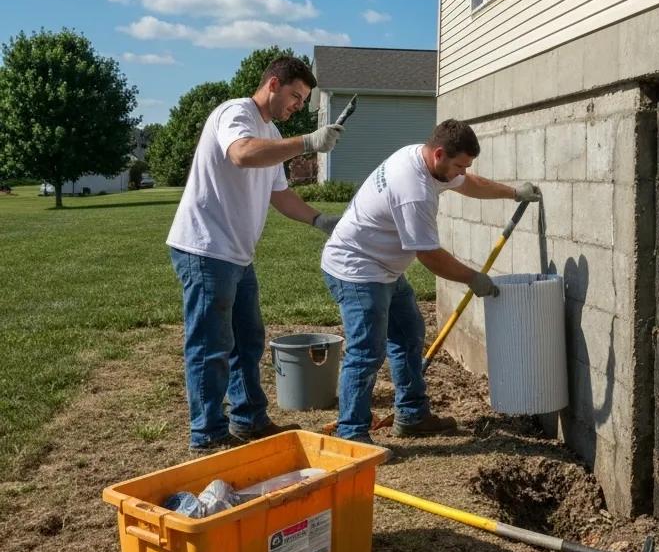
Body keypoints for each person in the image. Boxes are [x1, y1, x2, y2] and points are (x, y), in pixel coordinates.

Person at [321, 119, 540, 444]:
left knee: (408, 333)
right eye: (458, 165)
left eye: (465, 166)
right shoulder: (414, 190)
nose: (461, 172)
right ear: (439, 154)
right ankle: (352, 434)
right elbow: (429, 255)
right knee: (366, 352)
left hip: (383, 268)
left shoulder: (425, 160)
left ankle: (411, 415)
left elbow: (468, 183)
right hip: (356, 270)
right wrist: (472, 278)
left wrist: (512, 193)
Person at [167, 56, 347, 453]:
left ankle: (248, 419)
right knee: (211, 345)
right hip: (205, 249)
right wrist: (307, 142)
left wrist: (321, 220)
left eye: (304, 100)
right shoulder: (236, 113)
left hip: (236, 255)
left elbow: (279, 194)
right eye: (296, 96)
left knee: (247, 341)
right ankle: (207, 434)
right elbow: (242, 153)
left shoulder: (271, 132)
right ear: (273, 84)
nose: (299, 105)